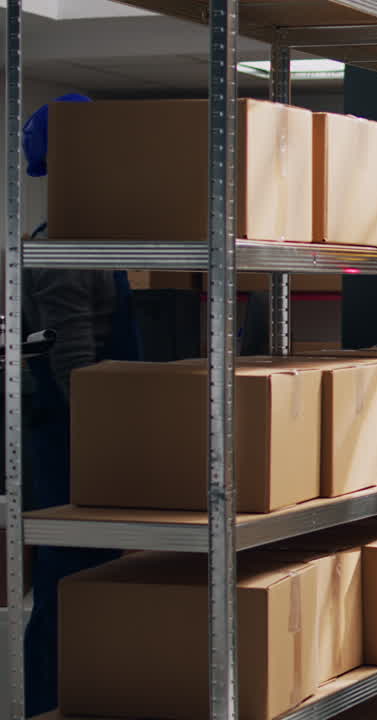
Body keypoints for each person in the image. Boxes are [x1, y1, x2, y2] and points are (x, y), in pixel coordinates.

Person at [20, 93, 139, 715]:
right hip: (72, 440)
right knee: (69, 584)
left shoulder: (90, 237)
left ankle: (89, 692)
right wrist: (113, 441)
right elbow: (75, 363)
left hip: (88, 435)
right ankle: (47, 704)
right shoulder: (65, 245)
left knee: (95, 580)